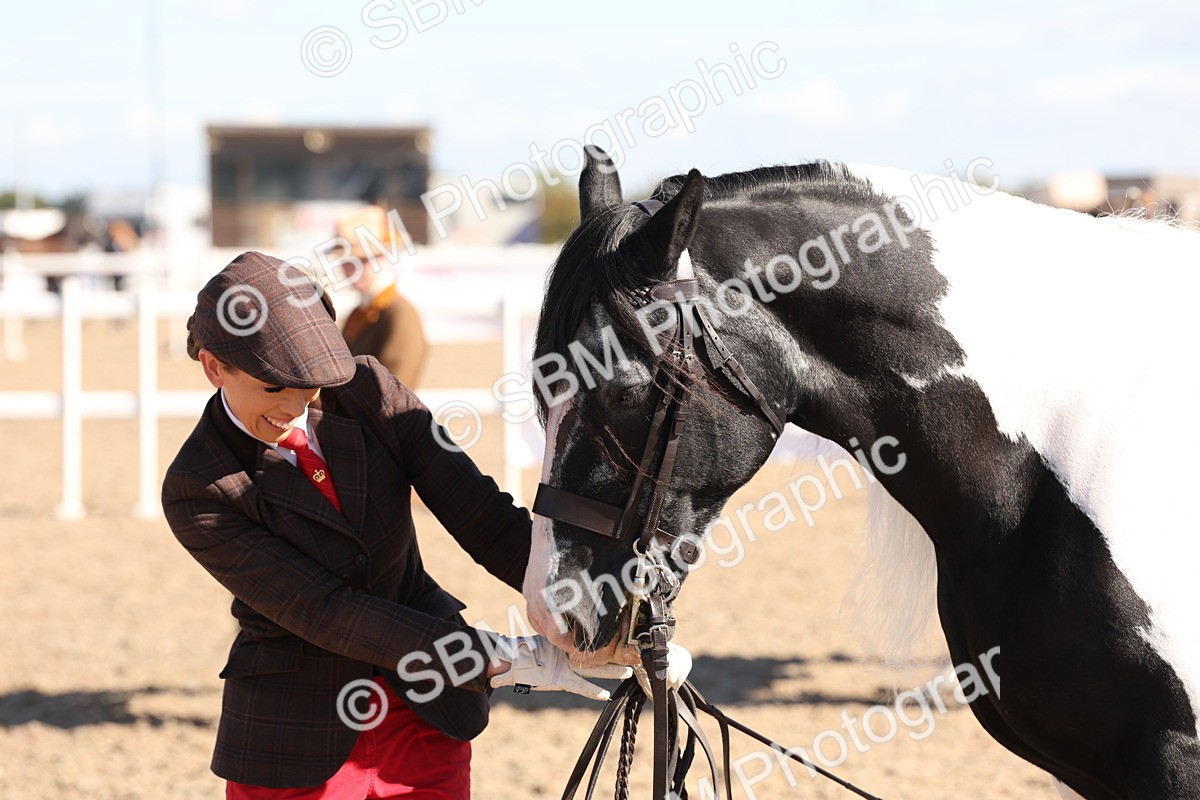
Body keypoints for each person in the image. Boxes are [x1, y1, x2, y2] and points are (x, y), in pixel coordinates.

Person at [161, 251, 628, 799]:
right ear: (215, 366)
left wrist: (598, 600)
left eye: (309, 385)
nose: (295, 404)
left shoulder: (369, 391)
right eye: (272, 389)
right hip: (296, 736)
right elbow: (323, 610)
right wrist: (482, 651)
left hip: (426, 710)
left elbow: (479, 513)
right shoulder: (198, 484)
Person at [334, 206, 427, 388]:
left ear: (383, 258)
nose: (353, 268)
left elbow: (396, 394)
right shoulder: (361, 312)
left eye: (363, 260)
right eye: (347, 261)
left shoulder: (399, 314)